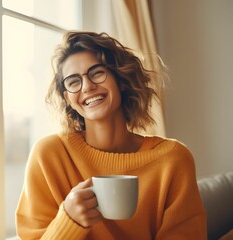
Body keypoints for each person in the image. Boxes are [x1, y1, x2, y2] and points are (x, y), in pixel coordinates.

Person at [15, 31, 207, 239]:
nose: (87, 86)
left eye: (97, 73)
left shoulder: (173, 159)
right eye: (73, 82)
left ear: (121, 78)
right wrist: (69, 220)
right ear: (68, 98)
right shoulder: (48, 156)